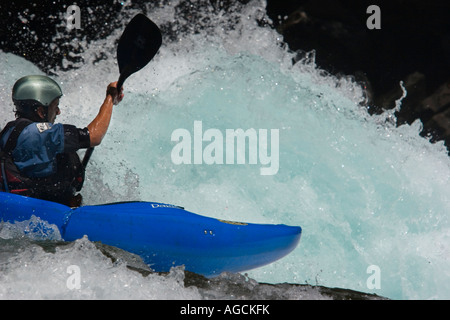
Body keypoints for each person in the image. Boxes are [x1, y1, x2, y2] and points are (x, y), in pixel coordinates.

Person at [0, 75, 123, 207]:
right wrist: (110, 98)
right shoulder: (35, 134)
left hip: (23, 210)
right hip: (34, 214)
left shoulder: (10, 129)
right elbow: (94, 136)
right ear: (41, 111)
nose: (58, 112)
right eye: (55, 106)